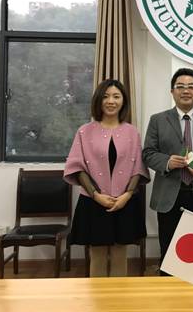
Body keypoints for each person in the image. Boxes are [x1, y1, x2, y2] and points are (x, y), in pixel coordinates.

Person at [142, 68, 193, 275]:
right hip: (169, 196)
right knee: (169, 252)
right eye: (180, 86)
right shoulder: (158, 119)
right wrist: (167, 162)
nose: (186, 91)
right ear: (172, 91)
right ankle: (169, 292)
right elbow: (148, 153)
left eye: (191, 87)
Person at [64, 79, 149, 277]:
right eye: (106, 96)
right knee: (97, 254)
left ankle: (119, 296)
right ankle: (97, 296)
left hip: (124, 201)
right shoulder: (85, 131)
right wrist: (96, 195)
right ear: (98, 100)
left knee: (120, 253)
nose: (111, 101)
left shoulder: (132, 132)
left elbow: (138, 167)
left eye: (116, 96)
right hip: (94, 201)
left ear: (123, 101)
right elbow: (77, 167)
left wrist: (127, 195)